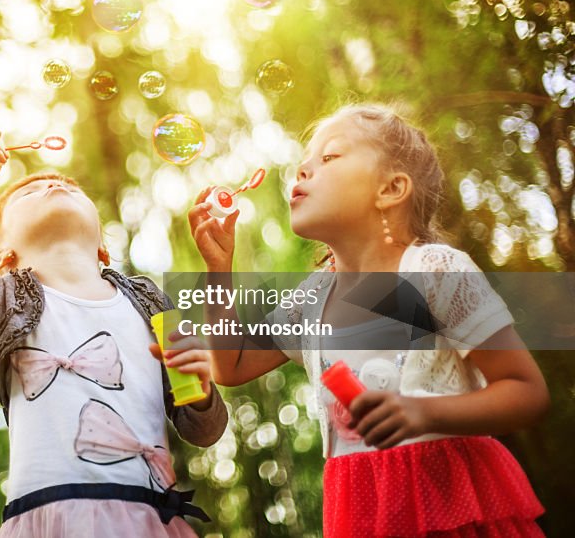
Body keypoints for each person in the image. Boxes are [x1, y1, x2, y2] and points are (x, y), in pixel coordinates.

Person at [192, 104, 549, 537]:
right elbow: (231, 364)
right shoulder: (312, 298)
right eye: (305, 161)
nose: (303, 169)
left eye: (329, 157)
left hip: (450, 508)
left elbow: (526, 391)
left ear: (391, 189)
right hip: (362, 513)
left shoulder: (435, 271)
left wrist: (425, 413)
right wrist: (218, 267)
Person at [0, 130, 228, 537]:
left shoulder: (149, 300)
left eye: (69, 187)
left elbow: (205, 431)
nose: (53, 184)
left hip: (148, 517)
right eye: (28, 192)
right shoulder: (0, 300)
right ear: (1, 256)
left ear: (102, 250)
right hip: (47, 517)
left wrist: (204, 390)